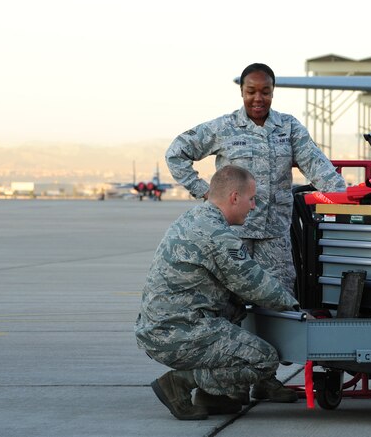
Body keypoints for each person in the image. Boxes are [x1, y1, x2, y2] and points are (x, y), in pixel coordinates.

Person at [134, 165, 301, 421]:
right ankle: (179, 383)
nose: (253, 206)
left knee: (233, 309)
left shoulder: (195, 218)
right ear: (235, 197)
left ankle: (213, 395)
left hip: (165, 326)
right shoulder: (218, 235)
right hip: (176, 332)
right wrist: (297, 310)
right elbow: (254, 283)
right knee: (264, 359)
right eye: (251, 199)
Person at [165, 63, 346, 295]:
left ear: (273, 92)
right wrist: (205, 191)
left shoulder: (288, 127)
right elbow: (176, 153)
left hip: (275, 235)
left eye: (265, 92)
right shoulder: (224, 128)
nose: (258, 98)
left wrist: (344, 199)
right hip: (232, 233)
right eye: (251, 91)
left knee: (280, 295)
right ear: (242, 91)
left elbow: (317, 166)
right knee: (228, 296)